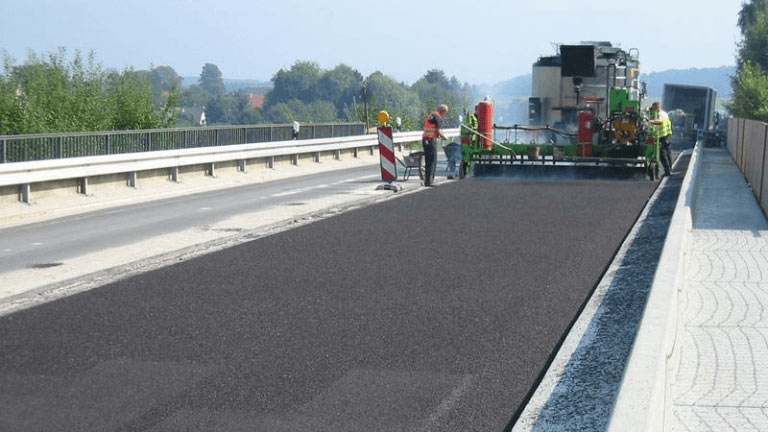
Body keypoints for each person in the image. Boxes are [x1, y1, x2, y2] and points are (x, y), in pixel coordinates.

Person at [422, 104, 449, 186]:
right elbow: (439, 131)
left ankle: (427, 181)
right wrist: (445, 137)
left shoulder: (431, 115)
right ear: (443, 111)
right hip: (430, 140)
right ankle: (430, 182)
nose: (445, 115)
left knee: (428, 161)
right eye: (445, 113)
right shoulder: (438, 118)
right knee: (432, 161)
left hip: (425, 139)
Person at [649, 102, 673, 176]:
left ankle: (667, 171)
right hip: (667, 135)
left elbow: (659, 122)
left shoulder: (660, 114)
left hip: (662, 136)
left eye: (653, 108)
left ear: (656, 107)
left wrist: (649, 121)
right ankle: (670, 169)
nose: (653, 109)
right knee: (668, 153)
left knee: (662, 154)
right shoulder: (664, 113)